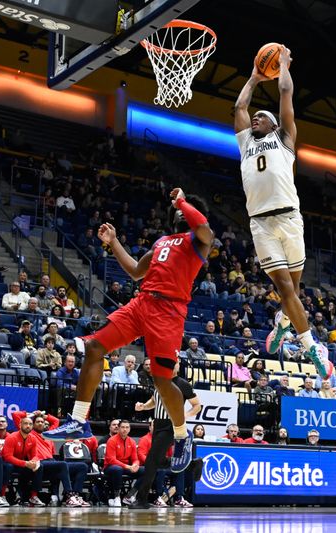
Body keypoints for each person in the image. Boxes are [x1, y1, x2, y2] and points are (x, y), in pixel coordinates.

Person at [46, 188, 213, 476]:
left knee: (162, 380)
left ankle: (183, 436)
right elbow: (136, 271)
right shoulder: (162, 241)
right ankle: (78, 419)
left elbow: (204, 228)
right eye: (177, 208)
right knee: (95, 347)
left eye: (183, 209)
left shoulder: (199, 241)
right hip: (142, 302)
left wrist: (184, 201)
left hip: (169, 312)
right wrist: (113, 243)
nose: (177, 211)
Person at [233, 44, 330, 378]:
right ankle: (310, 346)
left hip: (290, 218)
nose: (256, 117)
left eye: (263, 117)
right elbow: (240, 106)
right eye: (255, 117)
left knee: (295, 290)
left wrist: (284, 64)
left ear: (275, 126)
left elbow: (286, 91)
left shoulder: (285, 139)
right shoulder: (246, 143)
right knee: (286, 290)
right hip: (261, 224)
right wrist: (255, 77)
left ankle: (282, 325)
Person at [132, 360, 201, 508]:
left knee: (151, 461)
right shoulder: (160, 381)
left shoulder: (182, 384)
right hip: (157, 424)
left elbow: (197, 406)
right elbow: (154, 400)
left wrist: (185, 416)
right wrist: (143, 406)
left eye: (175, 364)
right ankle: (191, 465)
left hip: (171, 426)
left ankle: (142, 500)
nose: (172, 366)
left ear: (178, 367)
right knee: (158, 461)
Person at [103, 420, 144, 508]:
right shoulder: (112, 440)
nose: (125, 429)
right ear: (118, 428)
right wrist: (128, 466)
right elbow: (111, 460)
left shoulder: (132, 441)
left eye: (127, 427)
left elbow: (135, 459)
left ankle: (130, 496)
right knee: (118, 469)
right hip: (110, 467)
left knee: (146, 470)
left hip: (125, 467)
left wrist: (135, 465)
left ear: (129, 429)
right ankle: (116, 497)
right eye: (122, 427)